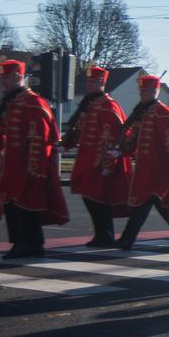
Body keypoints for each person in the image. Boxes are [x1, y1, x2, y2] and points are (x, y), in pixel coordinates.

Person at [0, 59, 69, 258]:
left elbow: (40, 136)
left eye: (8, 77)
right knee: (15, 204)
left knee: (24, 205)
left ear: (19, 77)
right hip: (13, 162)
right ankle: (31, 244)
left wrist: (34, 166)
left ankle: (24, 244)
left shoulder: (32, 101)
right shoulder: (12, 102)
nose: (4, 81)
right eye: (3, 77)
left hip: (26, 163)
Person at [115, 74, 169, 248]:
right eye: (141, 90)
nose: (141, 94)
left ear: (155, 91)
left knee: (145, 202)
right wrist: (120, 149)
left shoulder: (162, 113)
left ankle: (127, 239)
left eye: (145, 90)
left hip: (161, 168)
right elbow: (134, 140)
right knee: (155, 202)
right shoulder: (143, 113)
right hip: (147, 168)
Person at [63, 65, 131, 247]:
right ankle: (103, 233)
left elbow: (115, 135)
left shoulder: (108, 105)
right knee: (90, 196)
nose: (89, 85)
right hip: (87, 157)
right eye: (88, 81)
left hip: (99, 160)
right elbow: (78, 129)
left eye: (93, 82)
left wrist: (109, 162)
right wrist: (65, 144)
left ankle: (105, 234)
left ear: (102, 83)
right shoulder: (90, 104)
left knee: (97, 197)